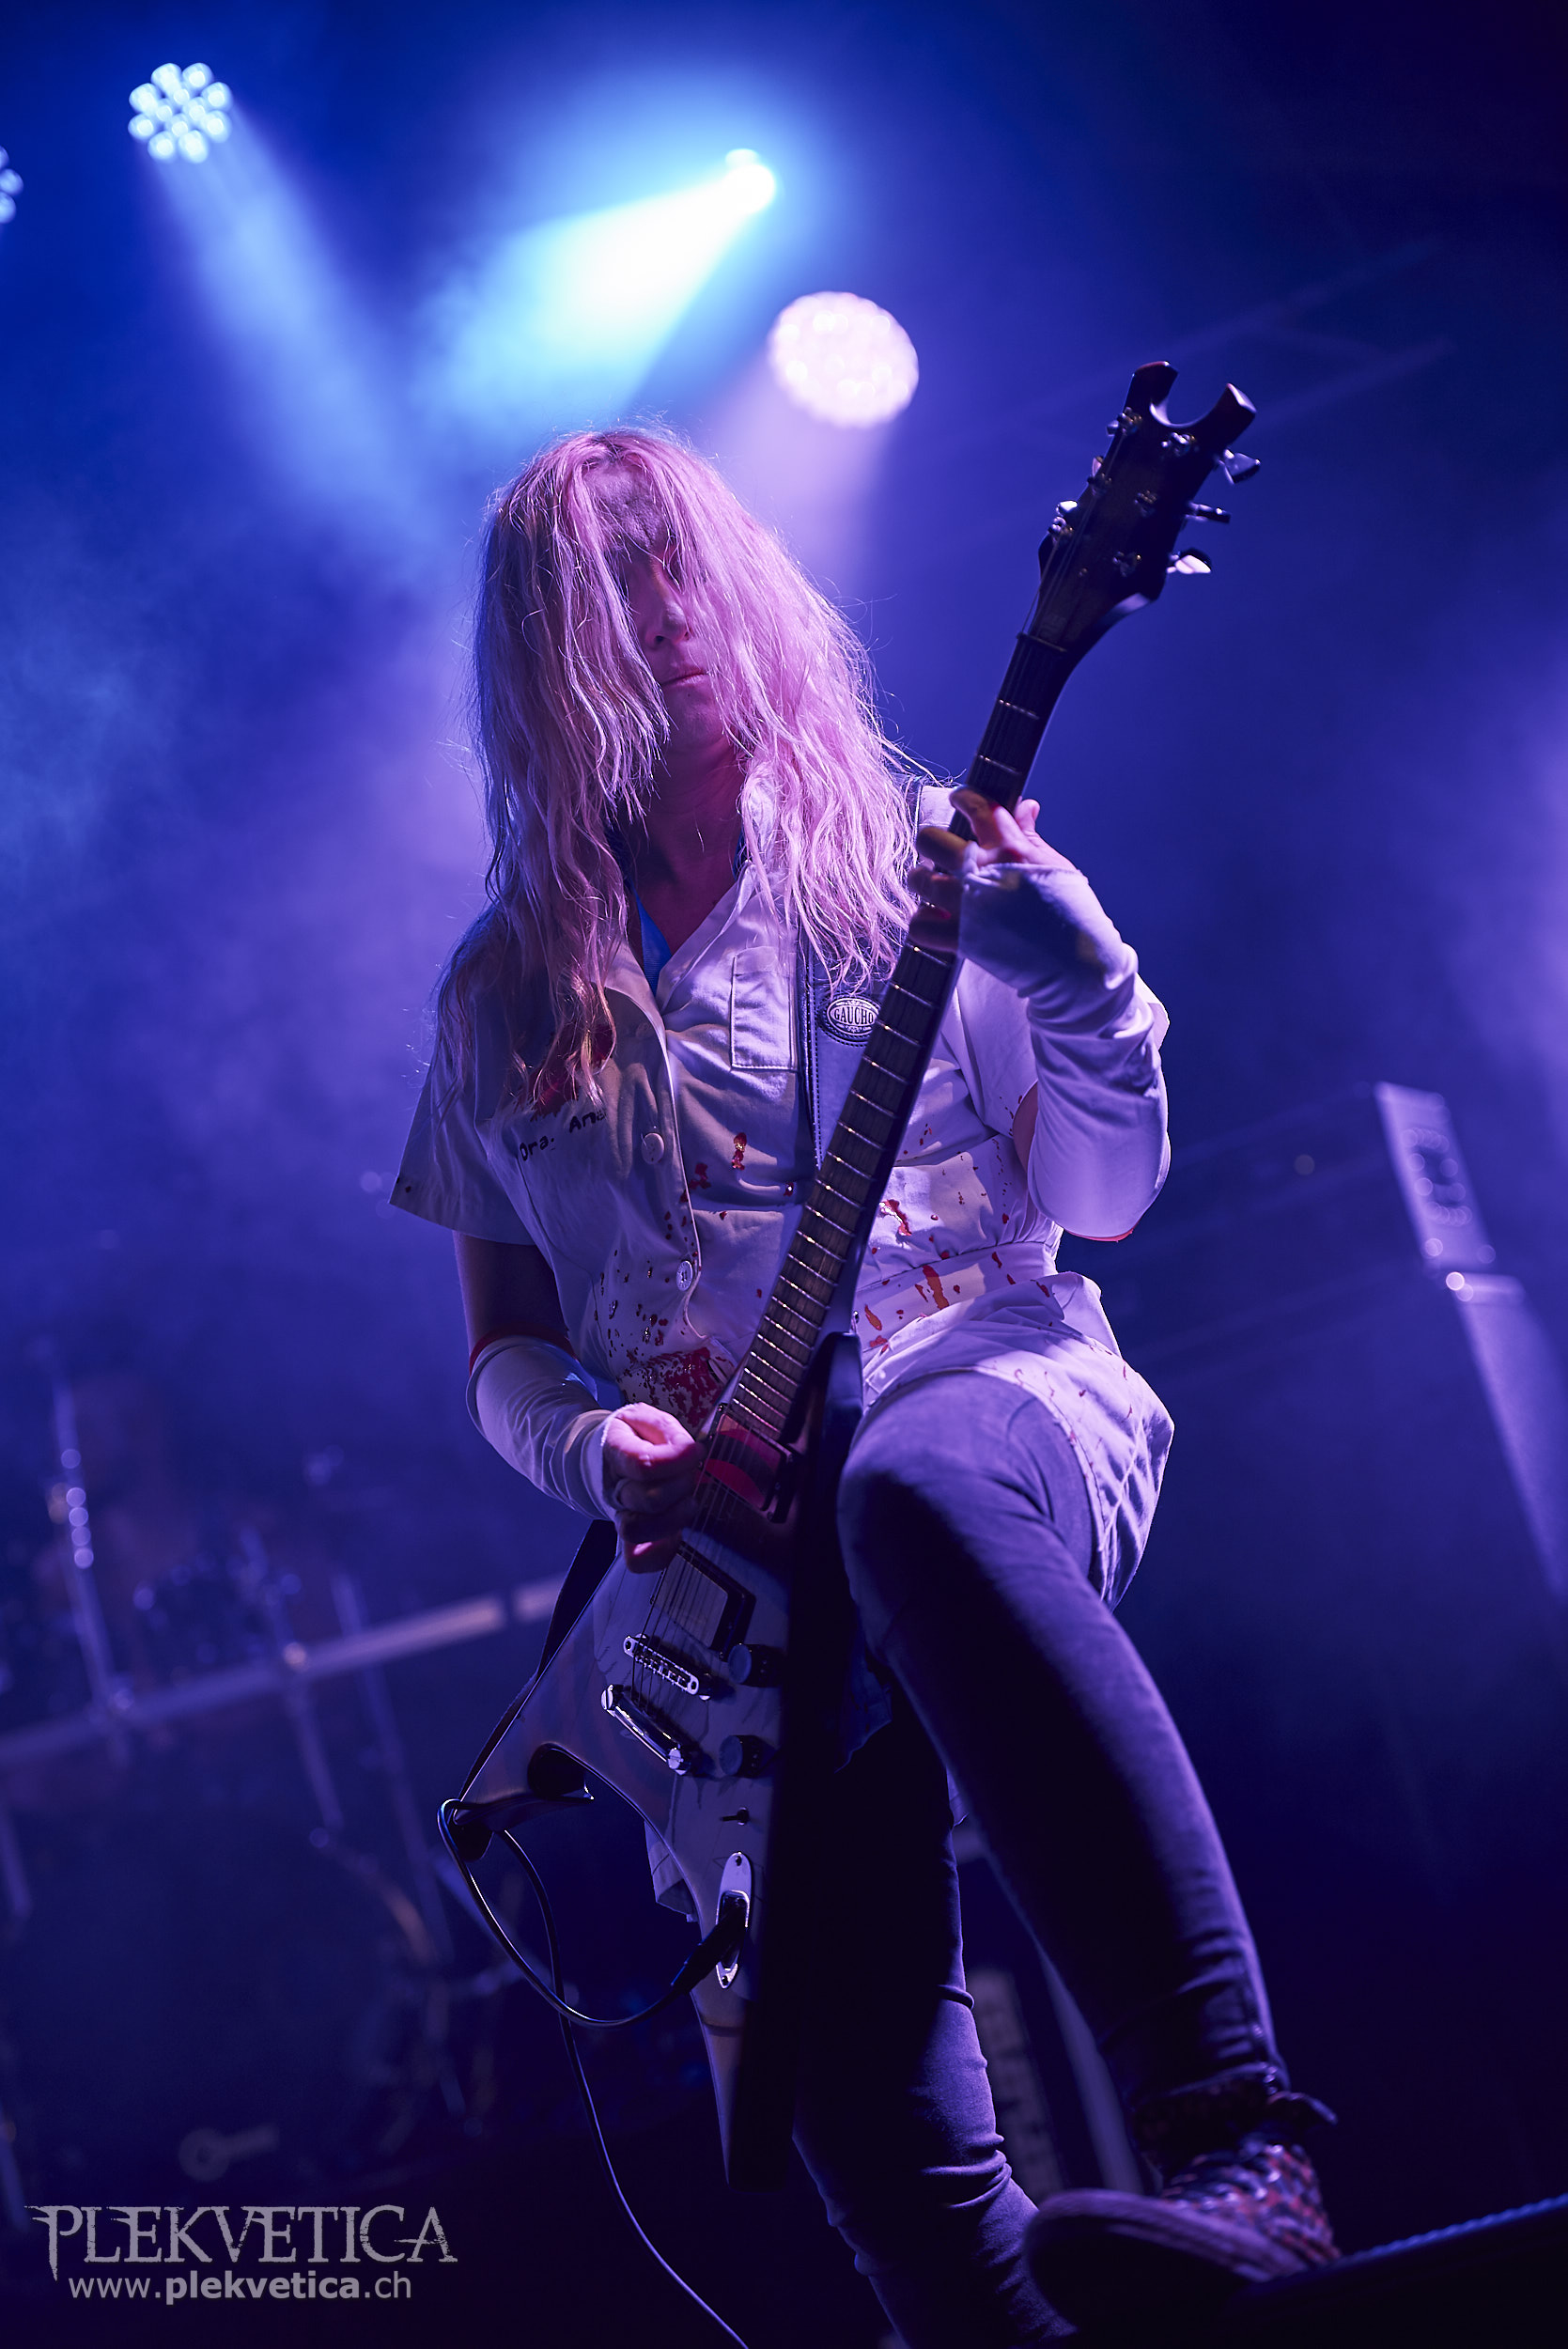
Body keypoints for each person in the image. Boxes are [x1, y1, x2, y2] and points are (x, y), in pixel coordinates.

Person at [393, 428, 1337, 2344]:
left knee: (913, 1490)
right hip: (727, 1577)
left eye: (677, 558)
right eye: (605, 579)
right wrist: (588, 1447)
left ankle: (1238, 2138)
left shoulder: (904, 861)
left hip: (984, 1382)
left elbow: (1104, 1197)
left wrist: (1080, 980)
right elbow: (501, 1339)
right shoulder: (502, 992)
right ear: (537, 651)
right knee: (899, 2186)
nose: (659, 609)